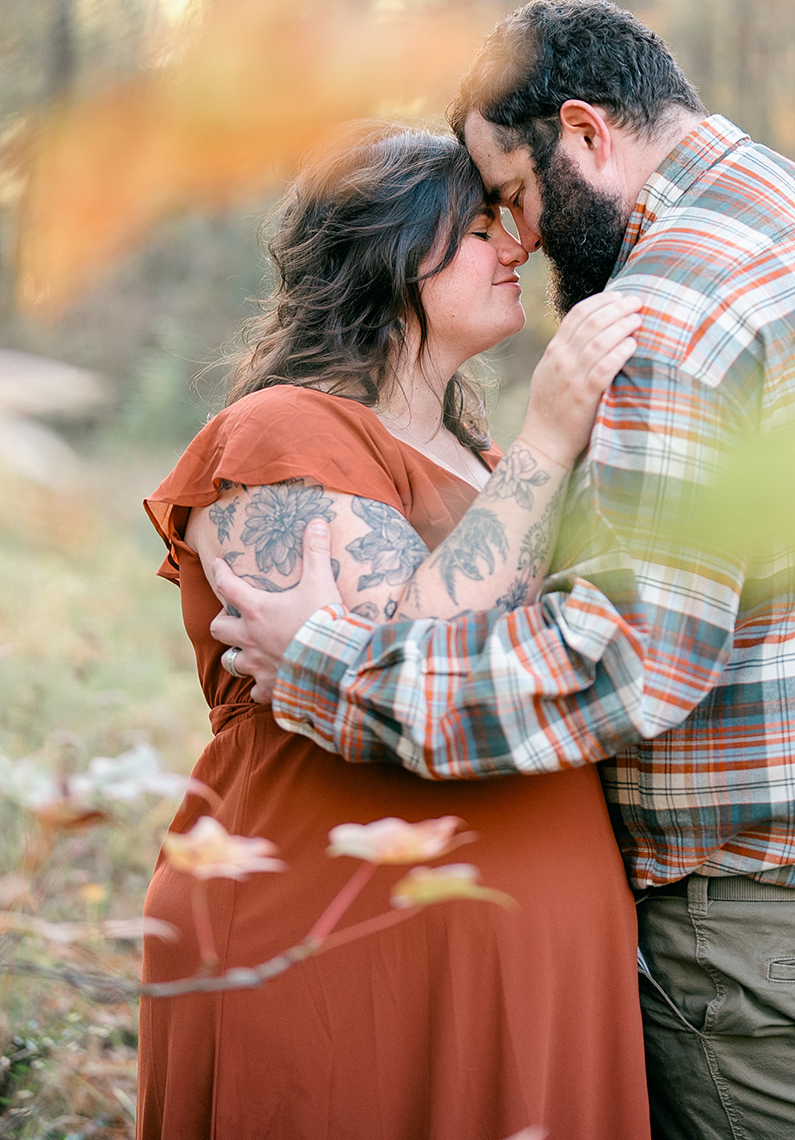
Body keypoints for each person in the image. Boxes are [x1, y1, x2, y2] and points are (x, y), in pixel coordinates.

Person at [213, 0, 795, 1140]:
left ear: (585, 133)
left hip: (777, 939)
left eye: (513, 196)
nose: (520, 237)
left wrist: (329, 665)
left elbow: (623, 663)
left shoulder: (671, 319)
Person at [138, 121, 650, 1140]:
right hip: (343, 929)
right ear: (390, 253)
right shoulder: (283, 431)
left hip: (517, 941)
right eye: (477, 229)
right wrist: (550, 439)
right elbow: (394, 677)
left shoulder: (473, 450)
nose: (515, 247)